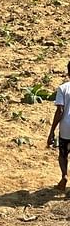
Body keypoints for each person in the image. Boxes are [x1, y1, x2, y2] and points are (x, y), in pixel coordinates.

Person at [47, 60, 70, 191]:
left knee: (63, 154)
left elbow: (60, 111)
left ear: (68, 72)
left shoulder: (63, 88)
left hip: (66, 128)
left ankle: (64, 175)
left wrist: (52, 131)